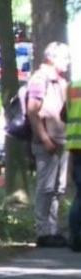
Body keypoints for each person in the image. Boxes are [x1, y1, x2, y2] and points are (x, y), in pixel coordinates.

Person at [28, 42, 71, 247]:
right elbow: (32, 111)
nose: (68, 62)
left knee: (58, 188)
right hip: (47, 141)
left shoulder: (61, 81)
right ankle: (42, 231)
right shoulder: (40, 78)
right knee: (45, 187)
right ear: (52, 58)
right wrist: (44, 138)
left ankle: (53, 230)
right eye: (65, 58)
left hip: (62, 140)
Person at [66, 78, 81, 251]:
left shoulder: (73, 86)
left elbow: (65, 114)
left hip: (76, 146)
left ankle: (75, 238)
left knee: (79, 195)